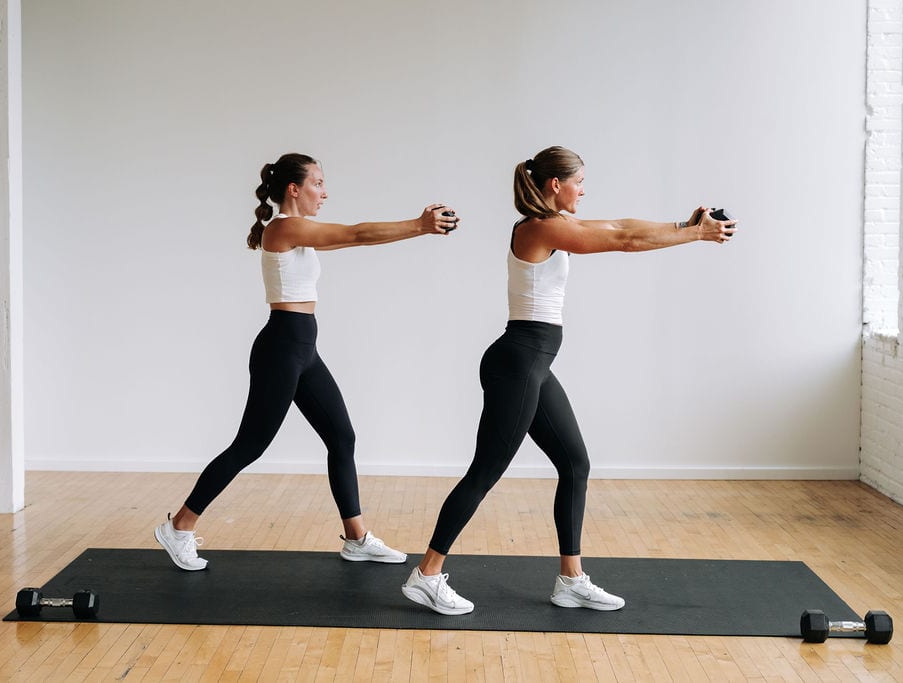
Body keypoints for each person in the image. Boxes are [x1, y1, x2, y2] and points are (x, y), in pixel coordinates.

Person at [401, 145, 736, 614]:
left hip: (532, 366)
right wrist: (695, 236)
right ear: (555, 185)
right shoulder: (540, 228)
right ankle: (427, 574)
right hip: (517, 365)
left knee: (575, 465)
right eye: (579, 181)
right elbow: (624, 242)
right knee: (486, 471)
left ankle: (571, 579)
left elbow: (622, 227)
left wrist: (684, 224)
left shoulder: (556, 224)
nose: (584, 189)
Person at [156, 152, 459, 571]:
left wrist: (419, 227)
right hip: (282, 346)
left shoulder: (293, 229)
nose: (325, 190)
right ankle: (179, 527)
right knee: (250, 445)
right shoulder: (284, 227)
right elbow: (355, 235)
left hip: (302, 348)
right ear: (294, 189)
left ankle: (356, 538)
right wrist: (419, 226)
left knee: (342, 436)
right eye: (317, 182)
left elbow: (353, 234)